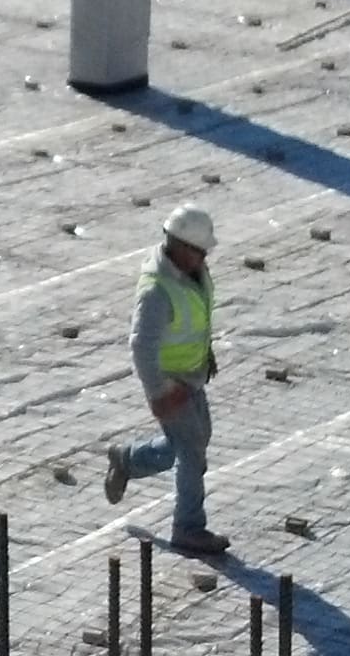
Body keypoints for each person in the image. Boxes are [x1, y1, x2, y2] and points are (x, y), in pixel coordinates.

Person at [105, 205, 228, 556]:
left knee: (193, 441)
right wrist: (159, 393)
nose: (204, 258)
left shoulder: (192, 272)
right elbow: (141, 346)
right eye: (199, 251)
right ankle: (188, 528)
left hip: (190, 377)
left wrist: (206, 354)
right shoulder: (156, 291)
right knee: (191, 451)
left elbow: (194, 318)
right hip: (169, 383)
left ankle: (128, 460)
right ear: (179, 244)